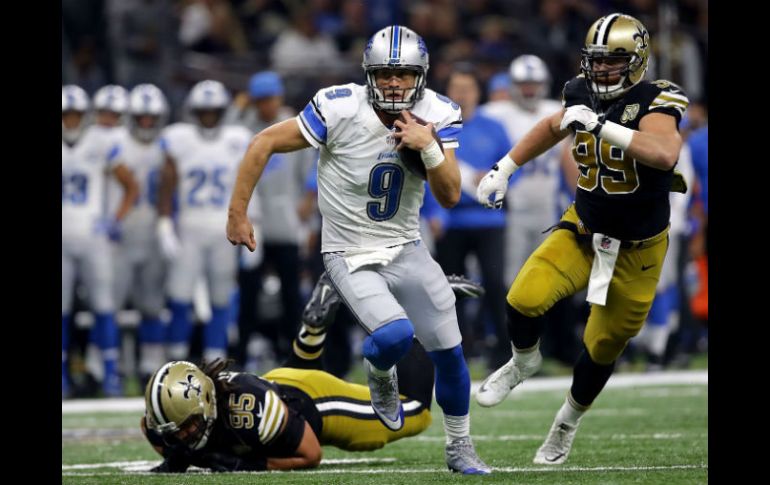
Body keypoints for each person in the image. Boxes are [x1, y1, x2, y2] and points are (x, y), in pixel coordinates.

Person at [226, 25, 490, 474]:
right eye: (385, 73)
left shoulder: (438, 113)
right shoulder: (339, 107)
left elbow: (449, 195)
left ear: (420, 75)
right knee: (393, 337)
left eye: (403, 74)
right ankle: (380, 374)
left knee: (450, 352)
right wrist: (238, 212)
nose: (394, 83)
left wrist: (428, 148)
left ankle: (460, 446)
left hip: (407, 246)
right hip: (347, 251)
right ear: (369, 74)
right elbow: (264, 141)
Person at [475, 13, 689, 465]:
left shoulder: (659, 97)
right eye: (596, 61)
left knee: (602, 346)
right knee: (522, 298)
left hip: (639, 249)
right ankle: (522, 361)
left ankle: (567, 422)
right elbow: (555, 126)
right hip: (584, 229)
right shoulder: (579, 91)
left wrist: (600, 126)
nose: (602, 70)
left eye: (613, 61)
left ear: (636, 60)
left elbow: (664, 153)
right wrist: (505, 167)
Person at [142, 272, 485, 473]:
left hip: (315, 404)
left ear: (206, 403)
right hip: (282, 382)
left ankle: (419, 303)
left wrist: (243, 464)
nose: (183, 435)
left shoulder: (248, 413)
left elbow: (309, 454)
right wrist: (189, 453)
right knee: (288, 387)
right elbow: (154, 432)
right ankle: (312, 329)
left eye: (187, 427)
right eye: (178, 429)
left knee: (415, 412)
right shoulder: (171, 423)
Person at [156, 80, 256, 364]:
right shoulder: (179, 139)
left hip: (224, 228)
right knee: (179, 295)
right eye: (204, 110)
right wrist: (164, 222)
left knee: (221, 297)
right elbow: (167, 182)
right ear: (193, 111)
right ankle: (175, 360)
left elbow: (249, 185)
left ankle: (217, 361)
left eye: (214, 110)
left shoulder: (237, 139)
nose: (209, 116)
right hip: (189, 226)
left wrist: (252, 224)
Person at [62, 85, 139, 397]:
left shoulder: (102, 141)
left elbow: (131, 186)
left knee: (104, 307)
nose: (71, 120)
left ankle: (110, 375)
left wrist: (114, 220)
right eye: (66, 114)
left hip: (94, 236)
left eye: (75, 114)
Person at [111, 84, 170, 385]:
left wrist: (169, 223)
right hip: (119, 234)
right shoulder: (116, 142)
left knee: (151, 304)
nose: (147, 123)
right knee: (111, 303)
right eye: (141, 118)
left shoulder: (167, 144)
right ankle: (115, 366)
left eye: (152, 118)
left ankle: (151, 364)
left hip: (152, 231)